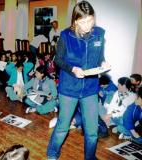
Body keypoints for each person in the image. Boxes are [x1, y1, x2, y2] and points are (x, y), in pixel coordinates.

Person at [47, 1, 109, 159]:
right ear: (75, 20)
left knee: (92, 131)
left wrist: (103, 63)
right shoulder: (66, 35)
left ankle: (90, 157)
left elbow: (100, 56)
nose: (87, 25)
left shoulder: (99, 34)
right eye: (83, 22)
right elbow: (58, 60)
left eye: (90, 20)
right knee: (62, 127)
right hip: (69, 89)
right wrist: (73, 69)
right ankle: (52, 154)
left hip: (90, 89)